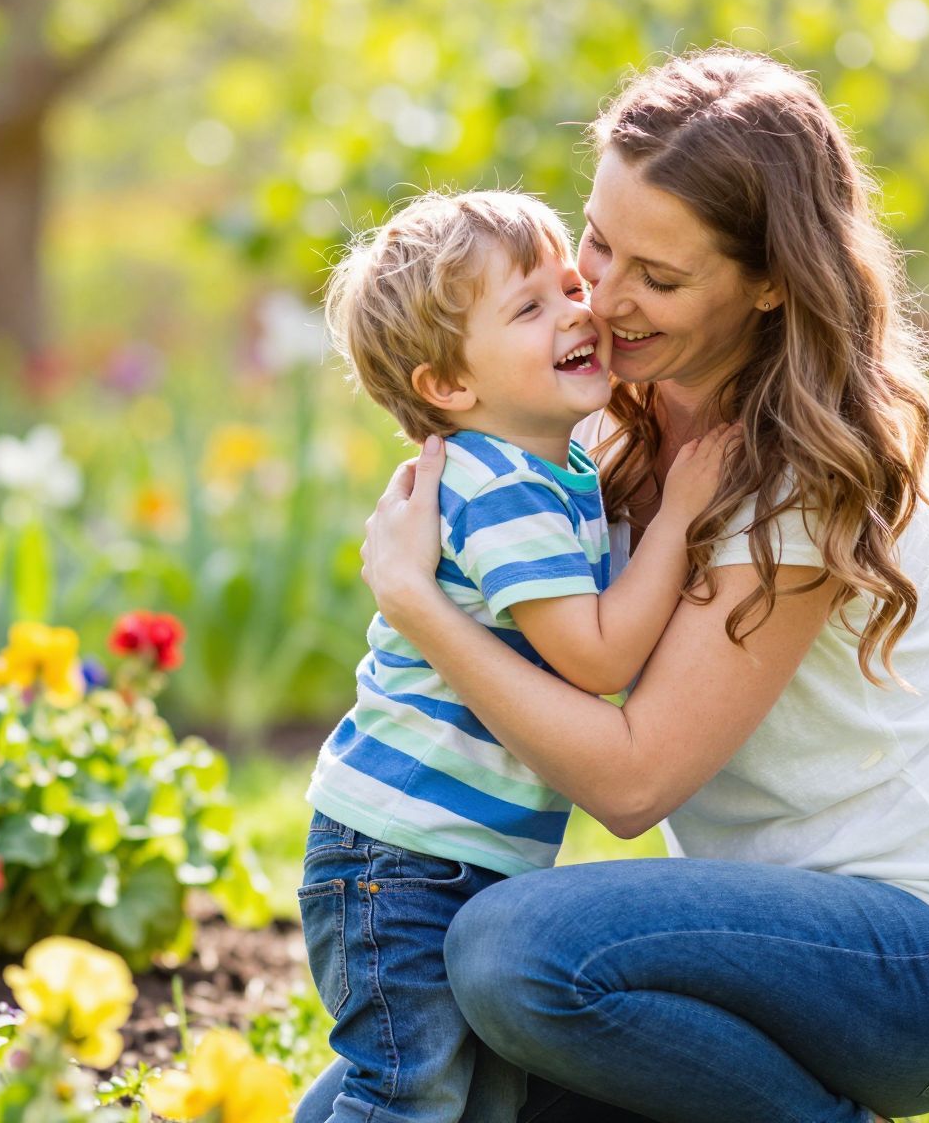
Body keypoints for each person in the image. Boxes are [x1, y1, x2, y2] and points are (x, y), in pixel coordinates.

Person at [351, 50, 929, 1122]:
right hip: (750, 947)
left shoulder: (806, 470)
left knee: (509, 954)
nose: (604, 298)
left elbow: (633, 786)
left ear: (772, 279)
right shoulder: (605, 415)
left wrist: (419, 606)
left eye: (661, 278)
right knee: (410, 1067)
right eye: (596, 242)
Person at [297, 190, 730, 1123]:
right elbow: (597, 656)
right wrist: (684, 518)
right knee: (407, 1095)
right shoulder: (498, 487)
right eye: (529, 308)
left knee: (481, 1104)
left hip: (444, 856)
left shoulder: (548, 470)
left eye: (569, 285)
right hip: (403, 862)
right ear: (448, 387)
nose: (579, 310)